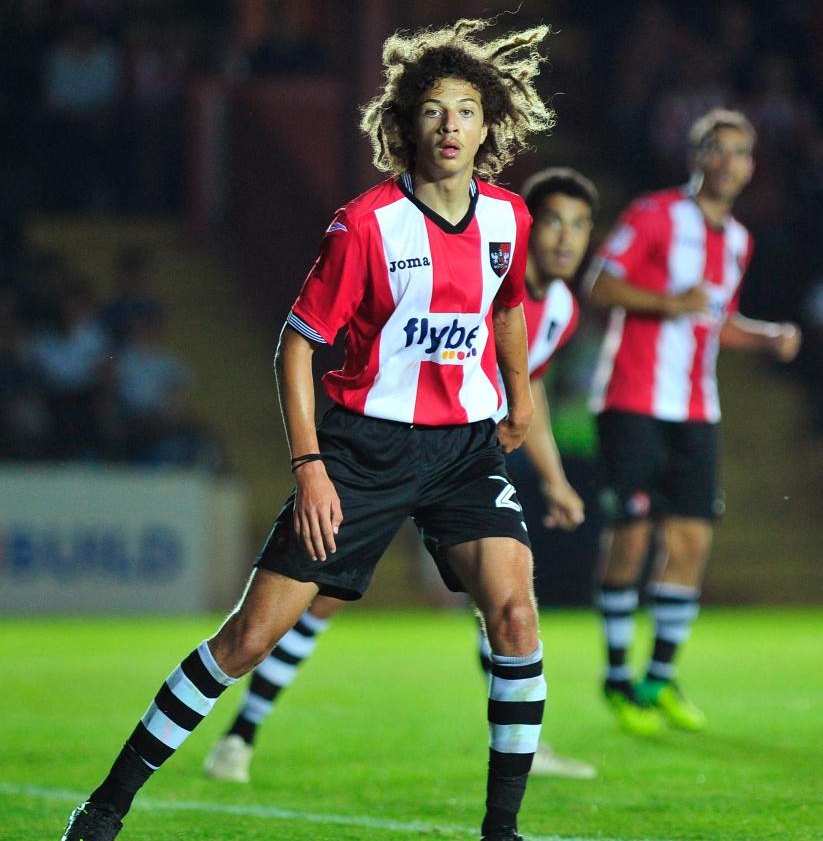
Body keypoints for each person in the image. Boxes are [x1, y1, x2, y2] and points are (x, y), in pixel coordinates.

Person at [59, 16, 556, 841]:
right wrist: (312, 467)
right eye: (432, 110)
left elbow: (507, 304)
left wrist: (517, 392)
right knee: (248, 640)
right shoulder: (365, 225)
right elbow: (296, 344)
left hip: (463, 448)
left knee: (514, 613)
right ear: (405, 125)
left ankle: (501, 836)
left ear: (487, 126)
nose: (448, 125)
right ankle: (106, 802)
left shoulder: (507, 218)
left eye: (464, 110)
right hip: (362, 452)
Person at [204, 167, 600, 785]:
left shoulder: (562, 311)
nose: (564, 239)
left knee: (503, 601)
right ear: (528, 223)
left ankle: (523, 745)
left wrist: (552, 477)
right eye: (552, 220)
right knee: (321, 599)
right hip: (391, 445)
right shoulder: (466, 257)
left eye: (579, 225)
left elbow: (531, 388)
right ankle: (241, 734)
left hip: (468, 461)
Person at [585, 108, 801, 736]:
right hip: (631, 398)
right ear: (698, 156)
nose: (730, 162)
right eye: (719, 149)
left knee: (693, 541)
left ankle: (660, 676)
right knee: (632, 536)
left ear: (750, 168)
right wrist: (667, 301)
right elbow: (600, 285)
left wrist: (766, 337)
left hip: (697, 406)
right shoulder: (655, 215)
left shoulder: (738, 240)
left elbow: (715, 321)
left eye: (741, 153)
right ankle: (618, 676)